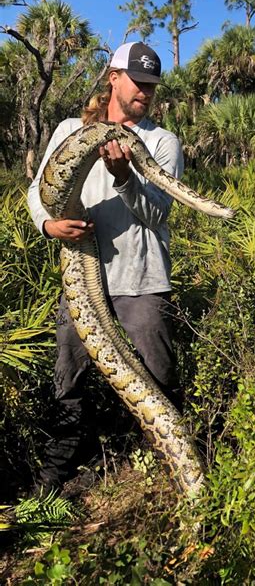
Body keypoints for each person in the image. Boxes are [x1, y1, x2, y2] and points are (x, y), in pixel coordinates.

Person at [27, 41, 185, 492]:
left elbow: (157, 215)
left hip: (142, 281)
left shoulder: (160, 142)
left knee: (156, 379)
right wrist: (48, 226)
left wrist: (123, 176)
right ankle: (56, 478)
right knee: (68, 378)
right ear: (113, 77)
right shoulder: (69, 130)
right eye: (139, 82)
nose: (146, 93)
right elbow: (38, 192)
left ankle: (165, 477)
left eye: (152, 85)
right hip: (81, 277)